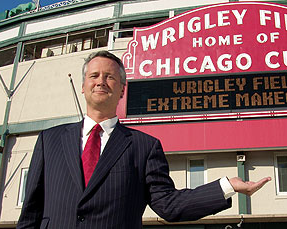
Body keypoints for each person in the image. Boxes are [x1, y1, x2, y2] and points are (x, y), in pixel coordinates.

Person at [17, 51, 271, 229]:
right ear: (83, 85)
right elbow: (31, 212)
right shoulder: (48, 141)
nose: (101, 82)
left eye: (110, 77)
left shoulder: (144, 147)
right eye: (94, 76)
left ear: (122, 90)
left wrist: (227, 185)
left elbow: (168, 205)